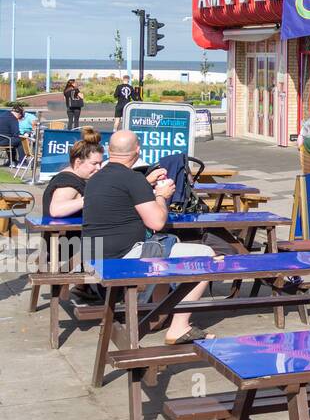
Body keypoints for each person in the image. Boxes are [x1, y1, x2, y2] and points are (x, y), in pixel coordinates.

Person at [83, 130, 214, 344]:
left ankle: (157, 315)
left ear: (108, 150)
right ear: (138, 150)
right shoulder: (132, 179)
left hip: (94, 256)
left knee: (164, 249)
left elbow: (122, 196)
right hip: (122, 258)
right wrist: (162, 196)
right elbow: (157, 222)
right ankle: (179, 327)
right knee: (206, 257)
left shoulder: (97, 178)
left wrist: (145, 183)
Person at [43, 131, 105, 218]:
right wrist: (91, 198)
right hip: (68, 231)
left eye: (100, 163)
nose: (99, 168)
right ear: (78, 162)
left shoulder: (71, 177)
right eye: (94, 163)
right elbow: (56, 210)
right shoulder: (67, 183)